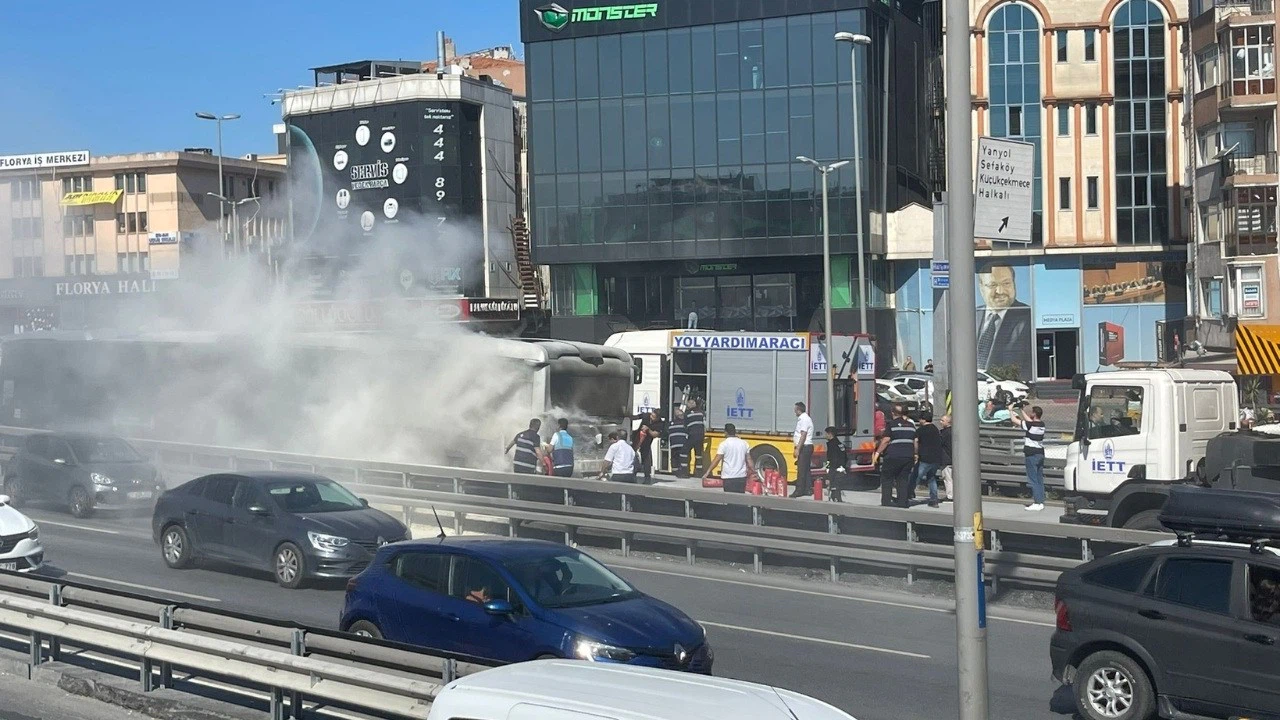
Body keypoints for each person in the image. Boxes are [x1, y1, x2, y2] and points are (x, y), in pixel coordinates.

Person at [976, 264, 1032, 372]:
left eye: (1006, 283)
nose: (1000, 291)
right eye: (992, 285)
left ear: (1014, 284)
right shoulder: (971, 316)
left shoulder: (1028, 317)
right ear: (981, 288)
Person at [874, 404, 917, 508]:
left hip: (893, 456)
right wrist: (915, 453)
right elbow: (915, 441)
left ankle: (886, 501)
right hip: (908, 456)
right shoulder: (911, 426)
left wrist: (877, 453)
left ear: (892, 413)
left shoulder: (891, 425)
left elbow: (886, 440)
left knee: (887, 478)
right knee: (903, 479)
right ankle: (902, 502)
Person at [702, 423, 755, 493]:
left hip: (728, 477)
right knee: (740, 498)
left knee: (729, 498)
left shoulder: (724, 444)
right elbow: (749, 460)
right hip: (741, 477)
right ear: (735, 431)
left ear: (726, 432)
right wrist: (754, 471)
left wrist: (707, 472)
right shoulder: (744, 443)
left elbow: (717, 460)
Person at [1012, 404, 1047, 511]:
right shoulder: (1041, 424)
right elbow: (1029, 421)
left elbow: (1014, 420)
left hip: (1031, 454)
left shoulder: (1030, 425)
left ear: (1034, 414)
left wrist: (1010, 410)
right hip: (1040, 454)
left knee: (1033, 479)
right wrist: (1021, 410)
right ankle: (1041, 501)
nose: (1030, 414)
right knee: (1039, 479)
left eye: (1032, 412)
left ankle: (1037, 502)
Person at [913, 411, 946, 507]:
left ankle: (906, 495)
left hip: (925, 457)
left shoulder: (921, 430)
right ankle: (934, 499)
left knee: (916, 477)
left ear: (923, 419)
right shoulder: (936, 429)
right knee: (931, 478)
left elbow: (916, 441)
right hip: (936, 458)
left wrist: (915, 453)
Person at [790, 401, 815, 498]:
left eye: (795, 409)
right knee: (806, 469)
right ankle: (808, 489)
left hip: (805, 447)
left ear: (798, 410)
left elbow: (803, 435)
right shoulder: (805, 418)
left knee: (801, 470)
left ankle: (799, 490)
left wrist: (797, 448)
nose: (794, 411)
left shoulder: (804, 419)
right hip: (807, 447)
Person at [632, 409, 662, 483]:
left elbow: (655, 434)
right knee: (632, 455)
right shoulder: (646, 415)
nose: (651, 417)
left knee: (646, 458)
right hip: (636, 437)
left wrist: (648, 429)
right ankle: (632, 473)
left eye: (653, 417)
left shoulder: (660, 424)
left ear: (658, 418)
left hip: (647, 441)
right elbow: (636, 417)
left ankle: (647, 477)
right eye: (651, 415)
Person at [823, 426, 848, 502]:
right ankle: (838, 502)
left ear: (830, 434)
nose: (825, 435)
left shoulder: (832, 445)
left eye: (826, 434)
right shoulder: (840, 444)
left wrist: (828, 476)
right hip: (841, 470)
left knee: (835, 491)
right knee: (837, 489)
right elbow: (845, 458)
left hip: (834, 471)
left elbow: (830, 461)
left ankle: (837, 504)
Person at [685, 399, 707, 477]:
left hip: (692, 435)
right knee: (698, 454)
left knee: (685, 452)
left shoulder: (687, 413)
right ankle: (698, 473)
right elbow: (705, 424)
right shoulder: (701, 412)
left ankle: (685, 471)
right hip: (700, 435)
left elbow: (685, 425)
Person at [666, 408, 688, 478]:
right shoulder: (685, 423)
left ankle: (675, 472)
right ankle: (683, 473)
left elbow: (667, 432)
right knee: (683, 459)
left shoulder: (670, 423)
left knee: (674, 458)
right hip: (682, 444)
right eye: (682, 415)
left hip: (673, 445)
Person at [938, 414, 954, 502]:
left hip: (946, 459)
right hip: (952, 458)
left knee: (948, 478)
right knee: (951, 478)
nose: (940, 422)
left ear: (948, 422)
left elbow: (941, 443)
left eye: (942, 421)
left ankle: (950, 495)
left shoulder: (945, 433)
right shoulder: (953, 431)